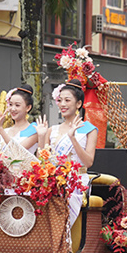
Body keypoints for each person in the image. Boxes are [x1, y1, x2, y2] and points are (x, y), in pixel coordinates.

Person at [37, 79, 97, 226]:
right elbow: (41, 161)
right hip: (54, 182)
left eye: (67, 100)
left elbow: (88, 162)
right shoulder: (52, 130)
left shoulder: (89, 129)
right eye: (60, 100)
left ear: (78, 104)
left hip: (77, 182)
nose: (62, 104)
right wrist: (41, 136)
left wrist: (73, 138)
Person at [0, 84, 38, 153]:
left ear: (28, 107)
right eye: (10, 104)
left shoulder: (34, 129)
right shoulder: (6, 131)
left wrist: (0, 129)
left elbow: (16, 151)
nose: (13, 109)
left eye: (17, 105)